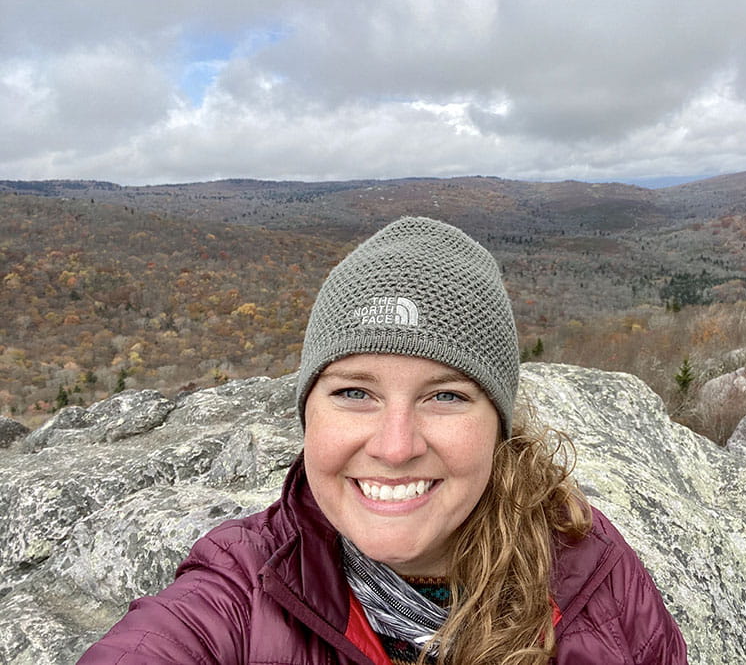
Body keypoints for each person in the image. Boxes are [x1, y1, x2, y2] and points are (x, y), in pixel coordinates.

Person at [79, 217, 687, 664]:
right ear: (307, 414)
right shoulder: (244, 584)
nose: (395, 447)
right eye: (353, 392)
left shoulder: (589, 570)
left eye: (445, 396)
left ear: (498, 426)